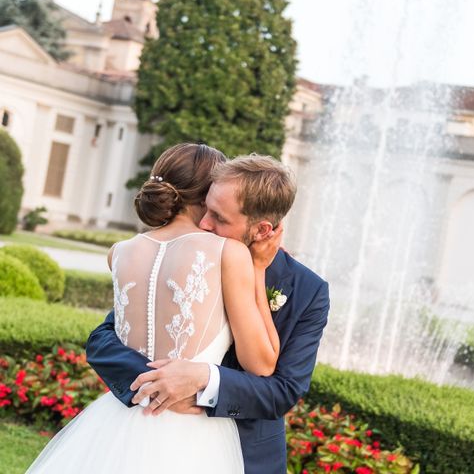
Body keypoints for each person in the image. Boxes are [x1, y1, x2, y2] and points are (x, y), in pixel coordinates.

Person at [26, 143, 284, 473]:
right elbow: (261, 365)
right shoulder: (228, 253)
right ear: (208, 192)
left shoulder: (119, 251)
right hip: (191, 433)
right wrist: (258, 268)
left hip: (119, 418)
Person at [85, 151, 330, 473]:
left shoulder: (307, 289)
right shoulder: (186, 254)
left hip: (243, 454)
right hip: (148, 432)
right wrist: (159, 382)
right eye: (206, 208)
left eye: (220, 218)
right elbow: (105, 337)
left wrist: (205, 380)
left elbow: (284, 390)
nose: (203, 223)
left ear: (262, 230)